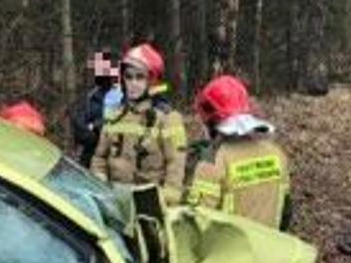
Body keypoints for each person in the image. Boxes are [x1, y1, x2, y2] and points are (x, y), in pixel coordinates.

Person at [185, 75, 291, 229]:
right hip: (271, 249)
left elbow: (197, 225)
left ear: (210, 121)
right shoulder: (276, 154)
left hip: (229, 251)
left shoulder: (213, 161)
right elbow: (286, 213)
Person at [89, 43, 187, 203]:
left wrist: (164, 202)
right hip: (116, 201)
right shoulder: (115, 115)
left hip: (150, 206)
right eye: (128, 76)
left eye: (140, 77)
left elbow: (175, 167)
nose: (133, 83)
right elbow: (99, 157)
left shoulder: (169, 119)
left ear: (152, 81)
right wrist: (100, 181)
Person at [68, 49, 121, 164]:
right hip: (90, 156)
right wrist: (89, 131)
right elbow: (79, 125)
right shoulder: (91, 96)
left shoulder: (123, 96)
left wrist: (96, 126)